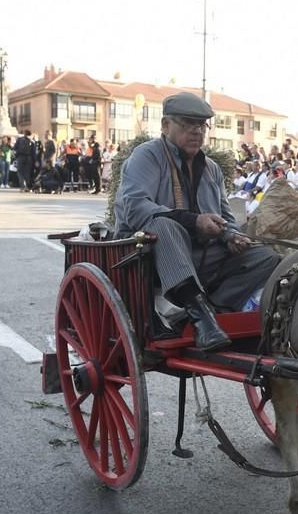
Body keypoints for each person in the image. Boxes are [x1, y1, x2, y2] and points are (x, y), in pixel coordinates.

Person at [113, 92, 280, 351]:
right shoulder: (146, 156)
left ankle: (210, 311)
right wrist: (194, 221)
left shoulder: (211, 167)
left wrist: (231, 235)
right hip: (150, 257)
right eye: (187, 124)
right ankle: (201, 317)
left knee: (267, 257)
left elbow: (225, 215)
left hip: (201, 256)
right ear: (166, 125)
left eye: (201, 126)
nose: (196, 132)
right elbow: (136, 209)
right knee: (163, 225)